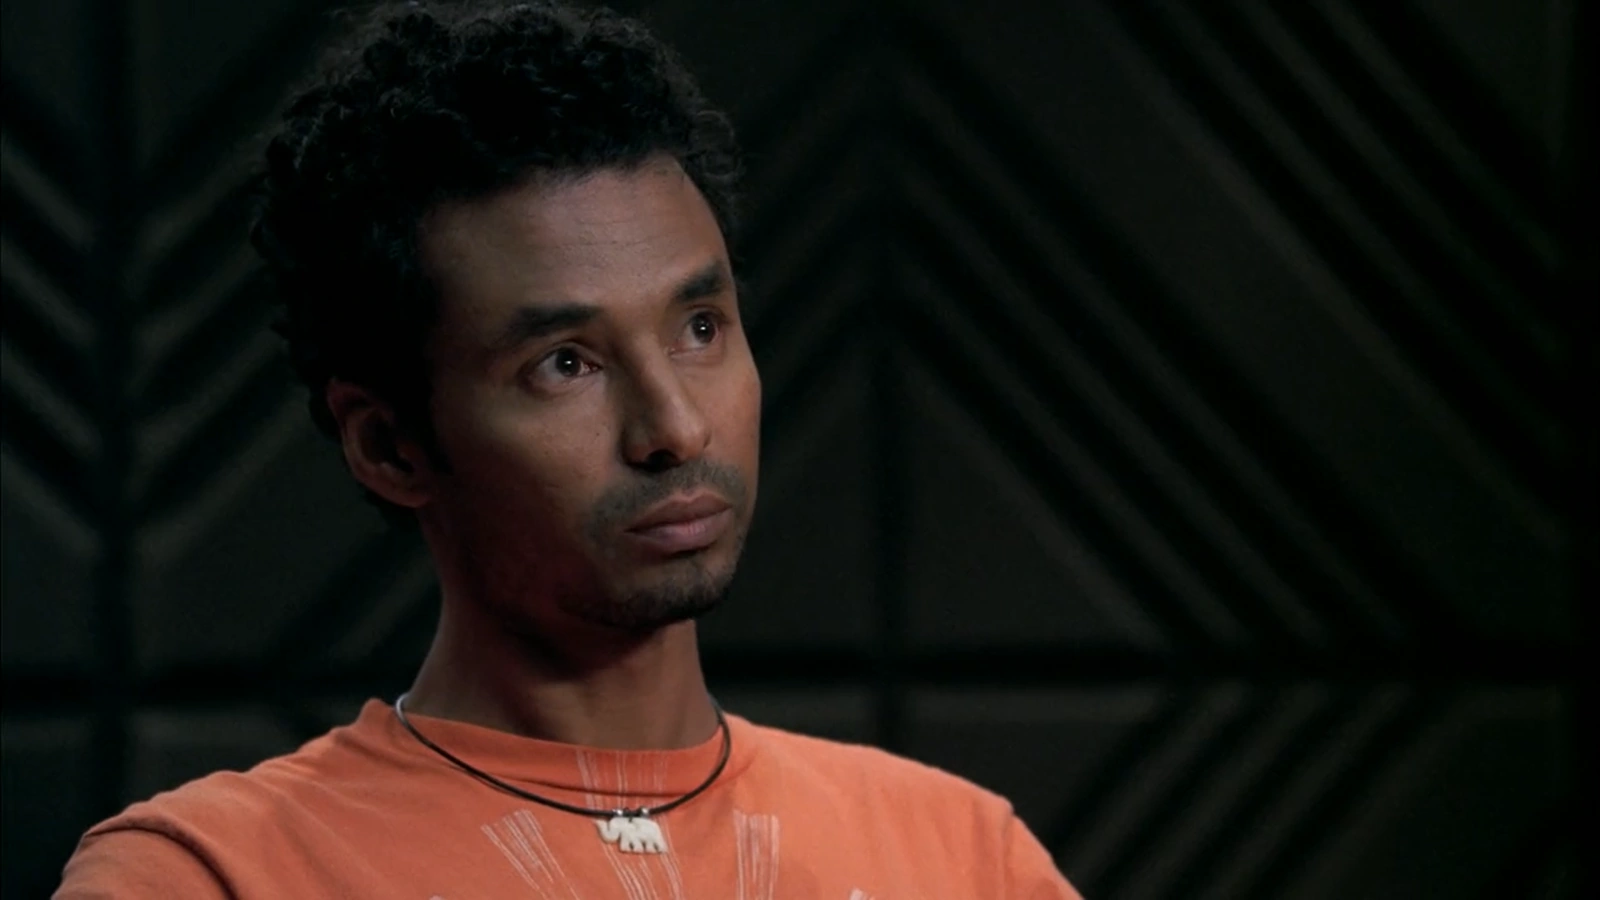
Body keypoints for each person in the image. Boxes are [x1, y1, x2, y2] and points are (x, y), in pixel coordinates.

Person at [56, 2, 1082, 897]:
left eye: (699, 328)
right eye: (566, 364)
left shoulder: (960, 854)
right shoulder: (212, 875)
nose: (675, 428)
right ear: (389, 446)